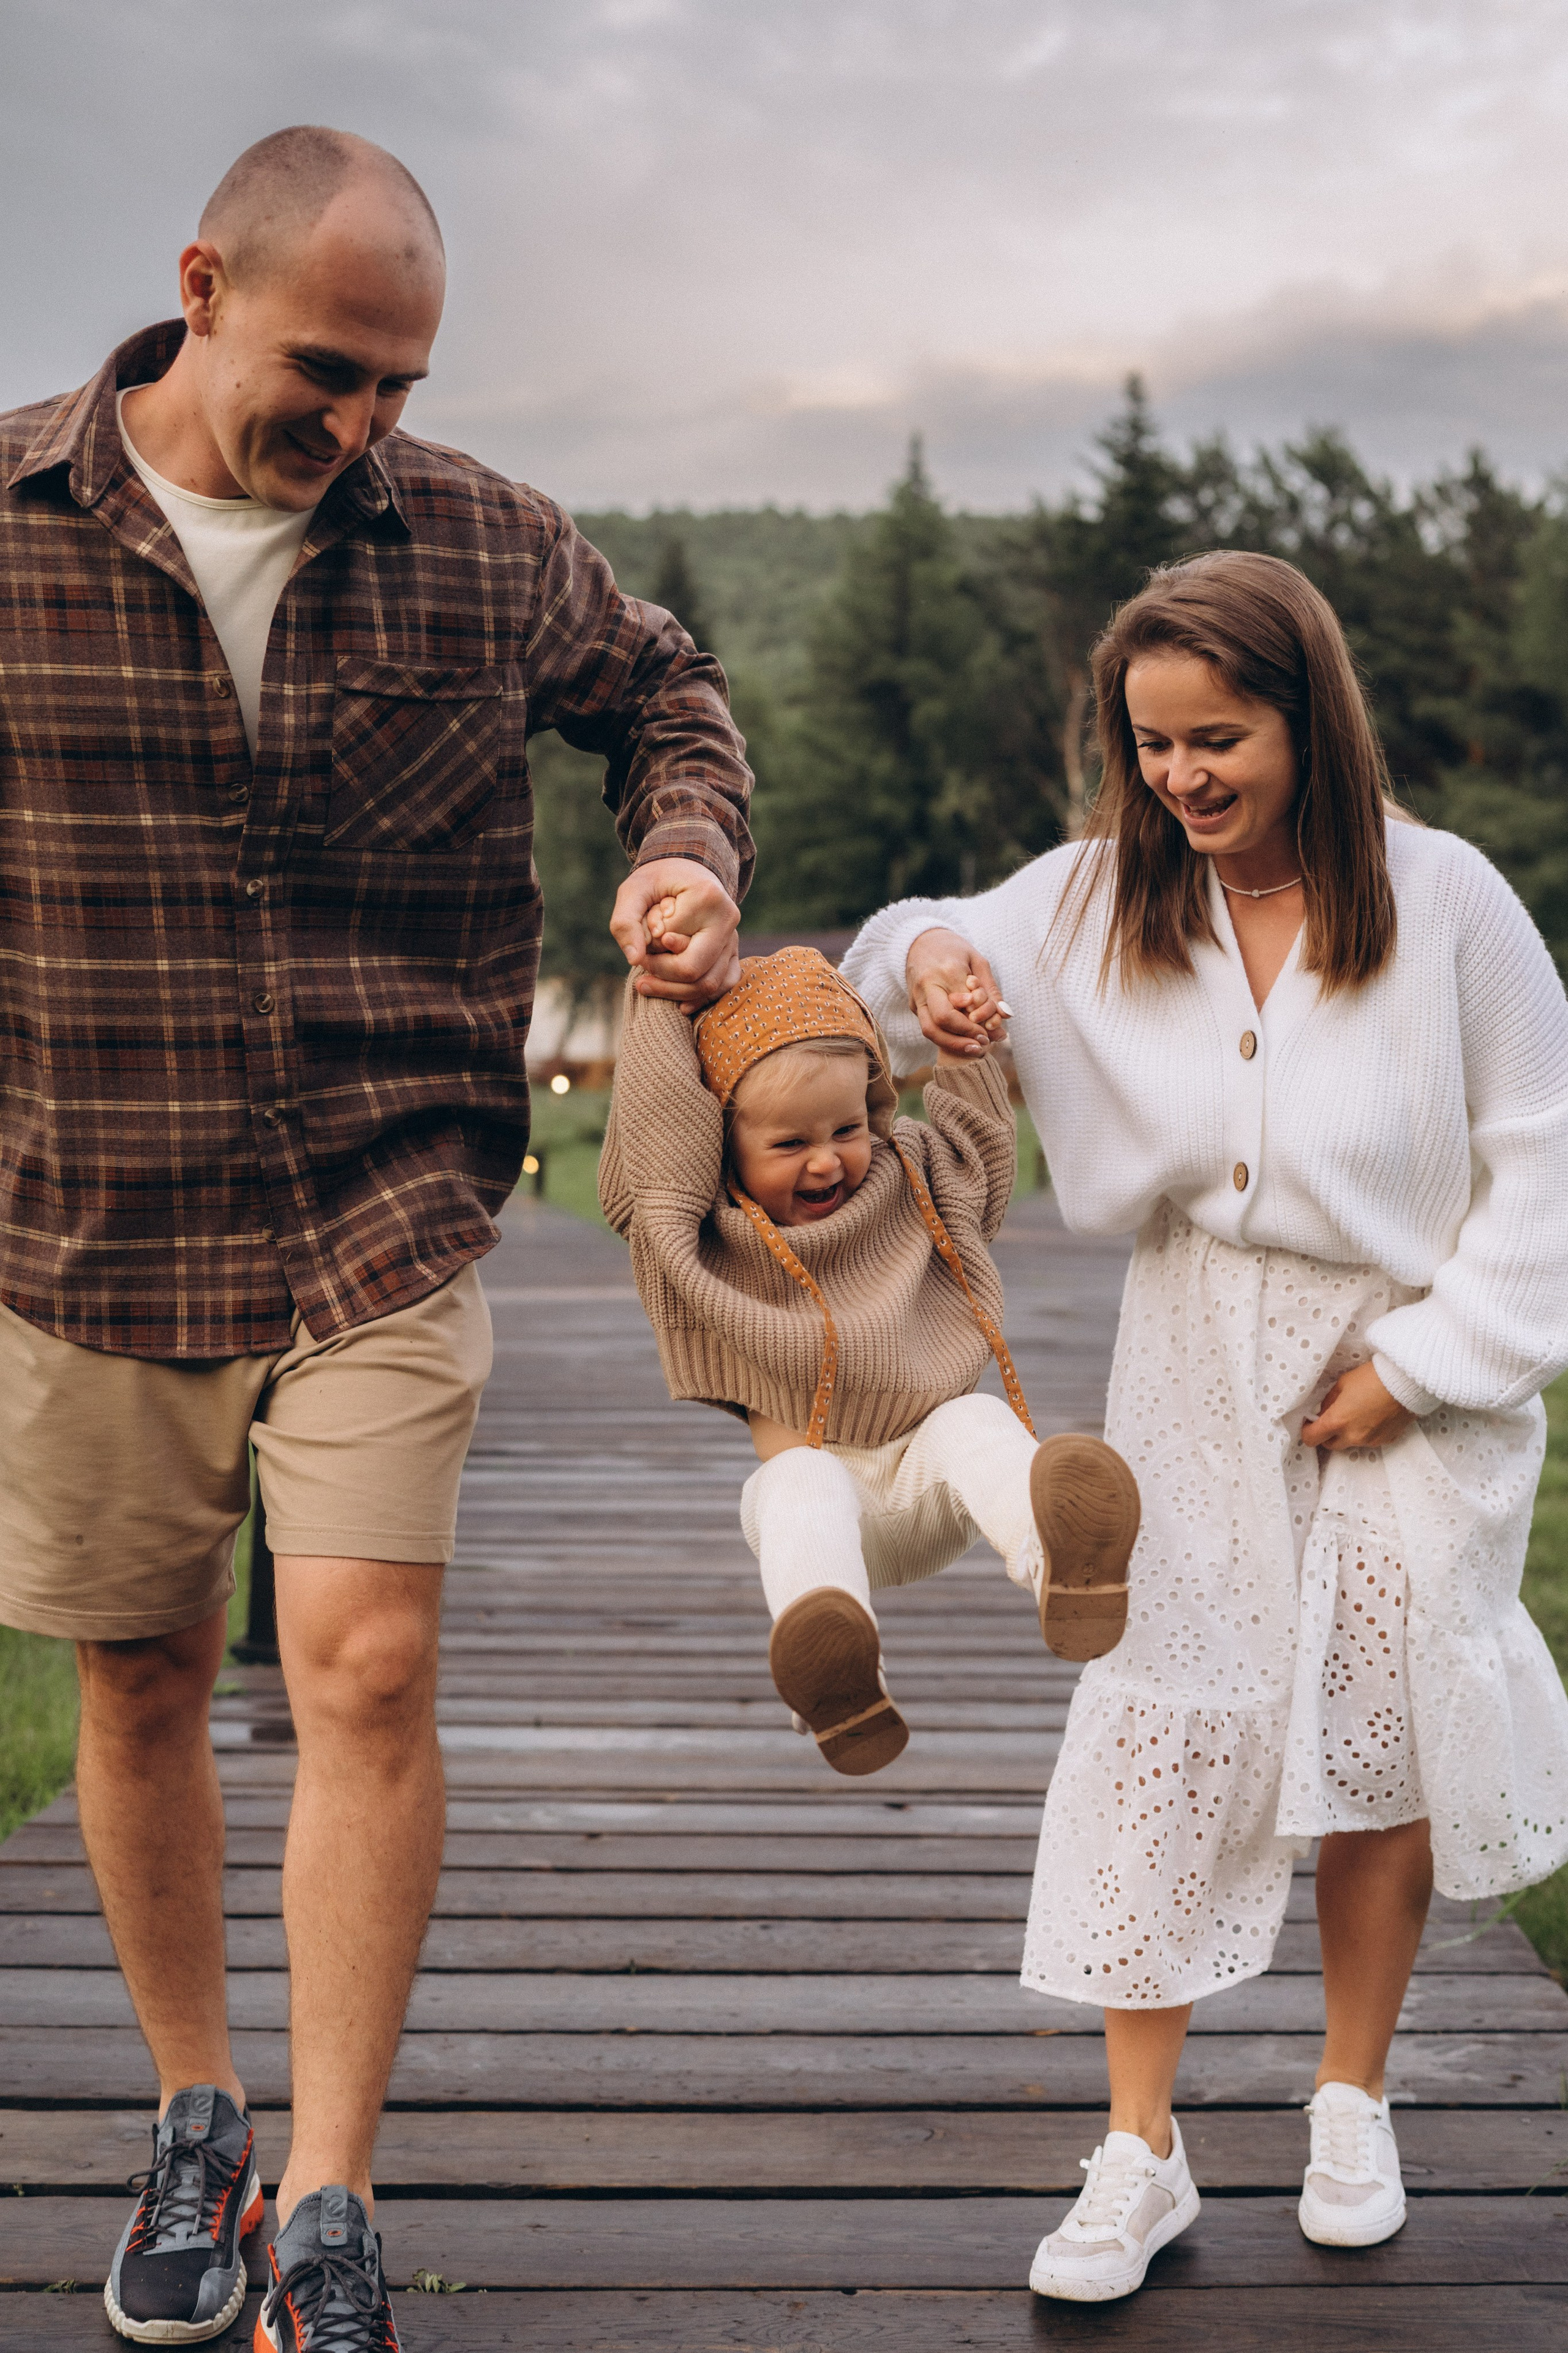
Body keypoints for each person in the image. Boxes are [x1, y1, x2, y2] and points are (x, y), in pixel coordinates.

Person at [0, 127, 752, 2350]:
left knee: (365, 1667)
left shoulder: (487, 544)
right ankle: (196, 2110)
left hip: (386, 1200)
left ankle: (326, 2193)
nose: (364, 426)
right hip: (88, 1208)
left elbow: (672, 697)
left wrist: (686, 854)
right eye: (330, 370)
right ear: (198, 283)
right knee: (137, 1678)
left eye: (404, 383)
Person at [842, 549, 1568, 2302]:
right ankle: (1140, 2149)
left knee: (1379, 1731)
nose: (1182, 777)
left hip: (1407, 1374)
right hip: (1189, 1353)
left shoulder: (1447, 899)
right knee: (1164, 1715)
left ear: (1311, 720)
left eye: (1218, 737)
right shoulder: (1101, 896)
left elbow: (1549, 1159)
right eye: (1152, 743)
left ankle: (1351, 2098)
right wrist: (934, 955)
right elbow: (876, 961)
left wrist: (1434, 1361)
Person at [598, 943, 1140, 1768]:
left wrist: (965, 1051)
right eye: (790, 1143)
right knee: (795, 1481)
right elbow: (654, 1137)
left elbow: (980, 1153)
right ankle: (841, 1672)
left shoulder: (907, 1179)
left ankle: (1060, 1558)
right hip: (822, 1511)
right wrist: (659, 995)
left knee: (975, 1417)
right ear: (722, 1142)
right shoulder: (705, 1235)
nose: (827, 1159)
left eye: (847, 1127)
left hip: (935, 1484)